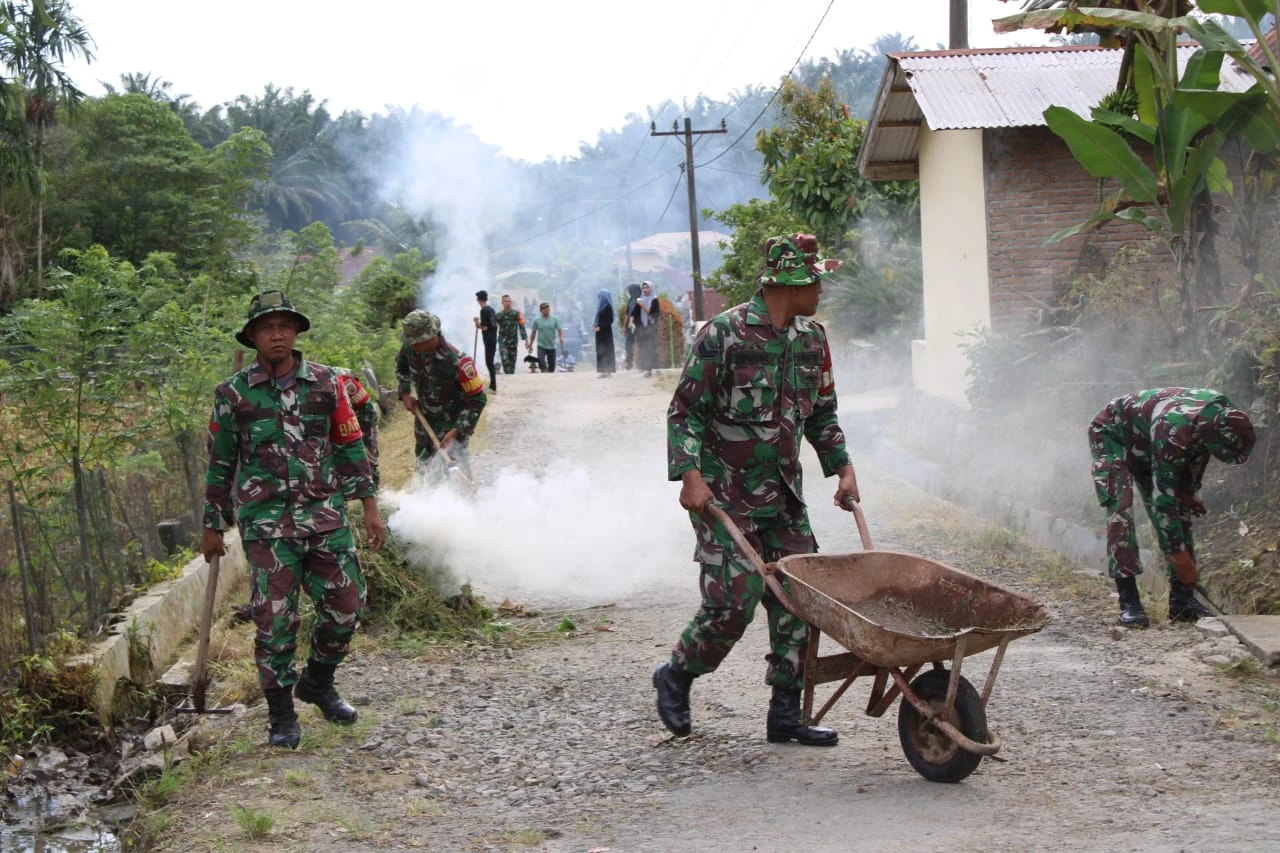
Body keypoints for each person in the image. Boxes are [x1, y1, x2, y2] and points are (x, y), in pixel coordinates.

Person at [653, 234, 859, 746]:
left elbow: (823, 413)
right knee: (734, 601)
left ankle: (785, 714)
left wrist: (842, 468)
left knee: (799, 598)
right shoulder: (724, 335)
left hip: (784, 497)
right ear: (791, 284)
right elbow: (685, 412)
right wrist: (690, 476)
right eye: (815, 279)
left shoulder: (813, 339)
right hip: (725, 496)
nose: (821, 288)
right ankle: (677, 673)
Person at [202, 290, 385, 750]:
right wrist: (212, 525)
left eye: (285, 325)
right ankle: (281, 716)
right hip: (266, 526)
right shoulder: (233, 394)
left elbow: (349, 444)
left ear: (297, 331)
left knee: (347, 608)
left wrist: (368, 506)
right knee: (274, 621)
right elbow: (220, 463)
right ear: (253, 337)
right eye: (267, 327)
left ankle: (318, 683)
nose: (277, 334)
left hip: (325, 516)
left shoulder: (327, 384)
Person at [1088, 387, 1256, 628]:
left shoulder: (1222, 417)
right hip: (1113, 434)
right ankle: (1129, 602)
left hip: (1150, 440)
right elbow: (1162, 503)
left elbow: (1193, 460)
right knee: (1120, 510)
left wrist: (1187, 493)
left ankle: (1182, 602)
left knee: (1181, 508)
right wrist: (1181, 560)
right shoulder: (1174, 430)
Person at [396, 310, 487, 481]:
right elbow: (402, 369)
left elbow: (478, 399)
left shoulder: (458, 361)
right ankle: (429, 503)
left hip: (453, 425)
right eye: (411, 342)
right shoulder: (411, 348)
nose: (413, 346)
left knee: (457, 473)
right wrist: (405, 393)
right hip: (424, 421)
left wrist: (456, 431)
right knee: (425, 469)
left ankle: (466, 504)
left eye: (417, 342)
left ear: (431, 336)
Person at [629, 280, 660, 377]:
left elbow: (653, 313)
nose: (645, 290)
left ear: (651, 288)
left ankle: (656, 368)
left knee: (652, 347)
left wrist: (642, 305)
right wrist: (631, 321)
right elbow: (634, 312)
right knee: (644, 348)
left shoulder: (654, 300)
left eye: (647, 287)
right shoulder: (641, 299)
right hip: (642, 328)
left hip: (651, 327)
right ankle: (648, 369)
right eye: (644, 288)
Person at [526, 302, 564, 374]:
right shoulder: (537, 320)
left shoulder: (555, 319)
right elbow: (533, 333)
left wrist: (561, 337)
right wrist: (531, 344)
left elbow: (560, 330)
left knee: (552, 366)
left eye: (547, 308)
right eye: (544, 309)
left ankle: (549, 377)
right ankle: (545, 375)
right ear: (540, 311)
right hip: (541, 345)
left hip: (552, 346)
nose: (546, 310)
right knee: (542, 363)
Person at [494, 294, 527, 375]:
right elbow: (493, 327)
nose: (508, 303)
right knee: (505, 360)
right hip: (503, 341)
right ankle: (507, 374)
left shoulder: (516, 314)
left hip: (513, 341)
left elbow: (522, 326)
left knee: (512, 362)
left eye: (509, 301)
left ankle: (510, 378)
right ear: (502, 302)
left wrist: (526, 339)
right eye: (506, 301)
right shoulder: (499, 315)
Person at [474, 290, 499, 392]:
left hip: (488, 340)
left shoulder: (483, 311)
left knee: (489, 362)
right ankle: (493, 384)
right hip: (493, 338)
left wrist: (477, 322)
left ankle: (493, 385)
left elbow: (484, 327)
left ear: (479, 300)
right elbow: (494, 324)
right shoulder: (491, 310)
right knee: (490, 361)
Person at [593, 288, 616, 377]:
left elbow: (610, 320)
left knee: (607, 351)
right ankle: (602, 371)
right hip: (599, 333)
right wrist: (594, 325)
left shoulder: (608, 306)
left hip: (606, 333)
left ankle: (608, 370)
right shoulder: (600, 307)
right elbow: (597, 319)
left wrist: (600, 326)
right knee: (600, 351)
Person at [622, 282, 642, 369]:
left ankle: (642, 362)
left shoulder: (640, 300)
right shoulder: (630, 300)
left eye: (629, 291)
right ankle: (629, 361)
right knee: (628, 344)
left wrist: (631, 321)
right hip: (630, 326)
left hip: (639, 324)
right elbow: (627, 314)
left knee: (641, 343)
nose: (628, 292)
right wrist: (624, 326)